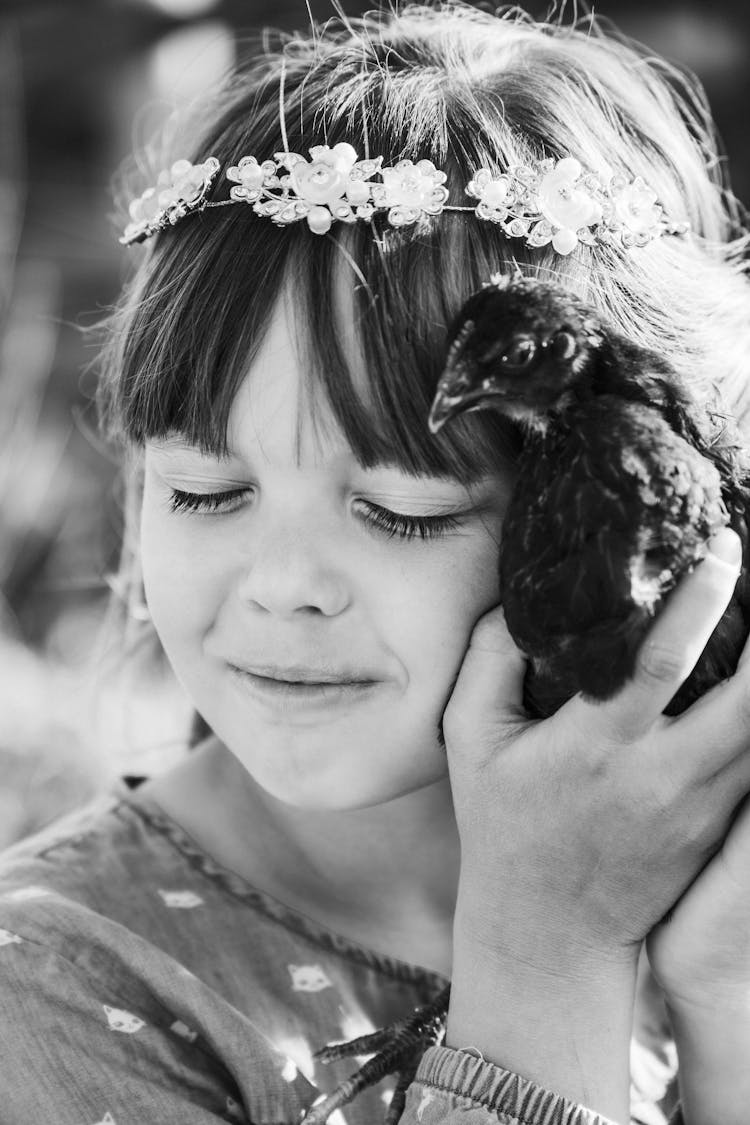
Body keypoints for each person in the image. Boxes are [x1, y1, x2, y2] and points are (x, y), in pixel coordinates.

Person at [1, 4, 749, 1123]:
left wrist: (725, 1005)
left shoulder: (709, 908)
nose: (281, 581)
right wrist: (546, 959)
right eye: (206, 492)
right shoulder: (56, 989)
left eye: (403, 509)